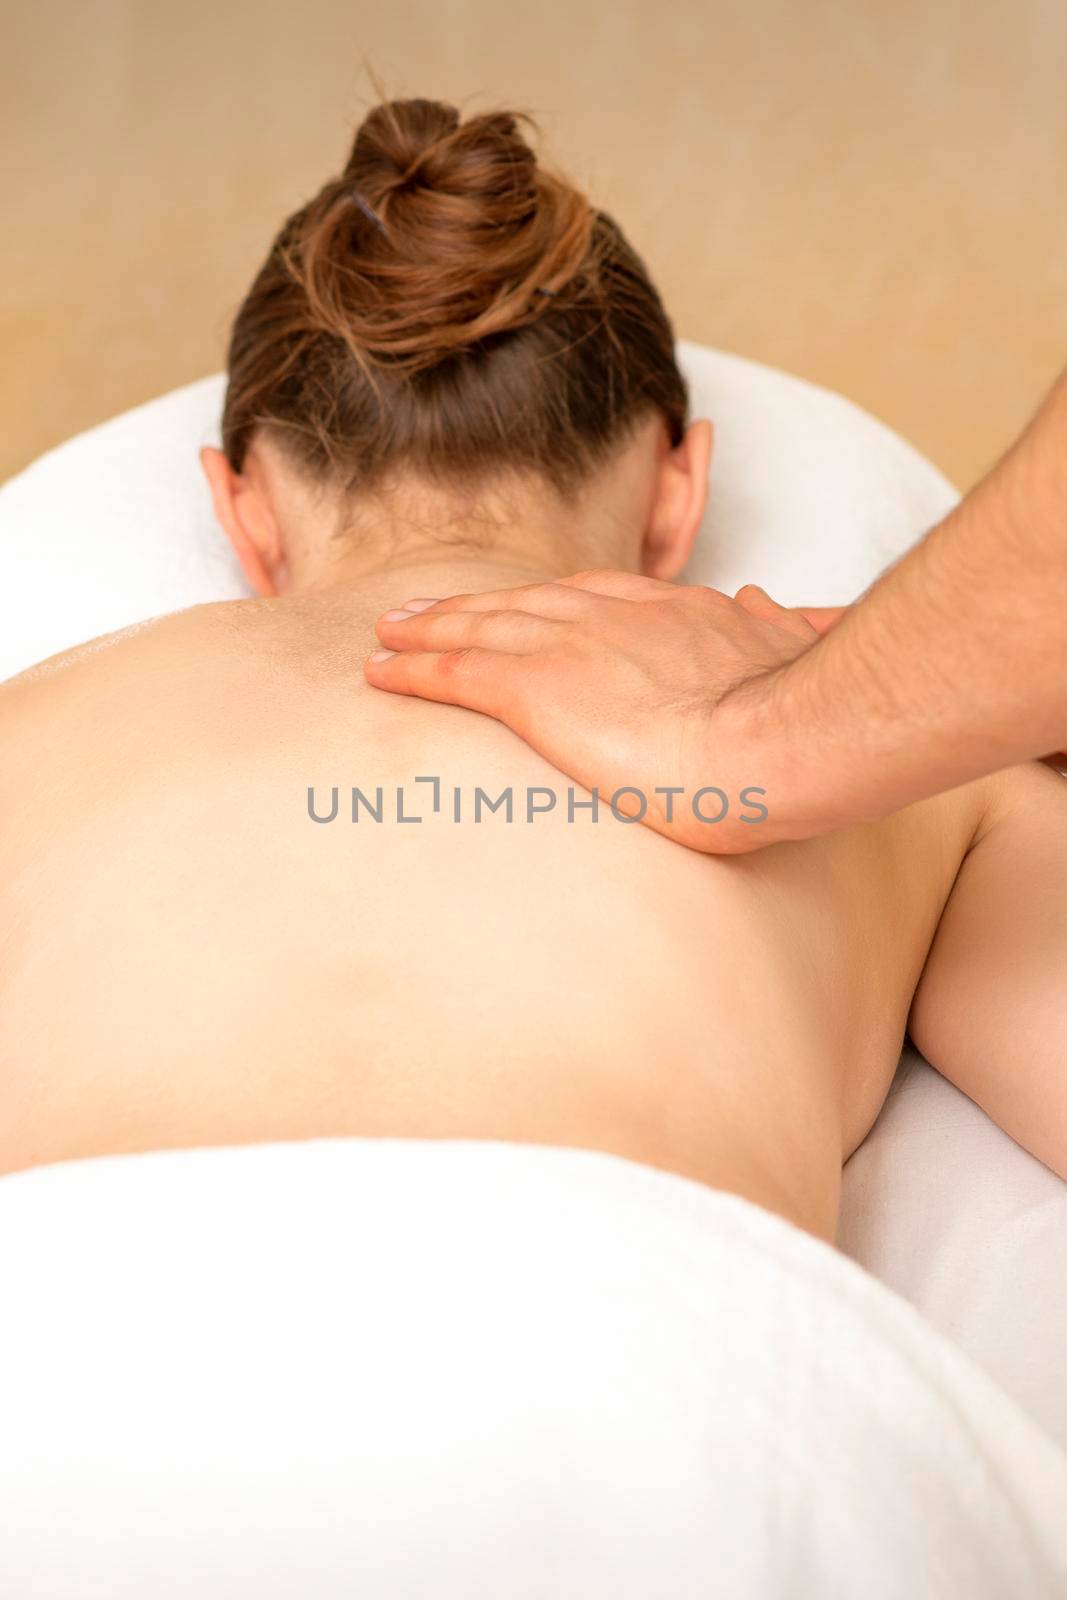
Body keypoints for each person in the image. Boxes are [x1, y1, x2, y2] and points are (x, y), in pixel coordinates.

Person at [1, 97, 1065, 1251]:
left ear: (240, 509)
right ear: (677, 494)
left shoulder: (24, 733)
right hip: (664, 1365)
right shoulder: (921, 764)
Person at [365, 363, 1067, 855]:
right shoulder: (940, 785)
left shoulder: (246, 683)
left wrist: (753, 738)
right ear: (677, 494)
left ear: (252, 515)